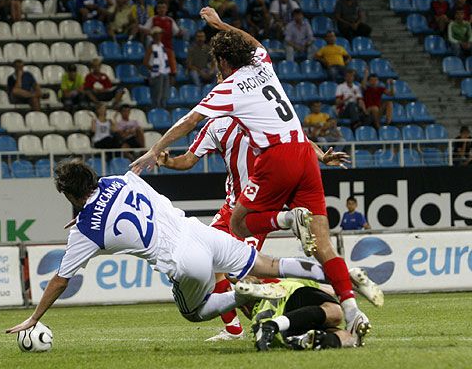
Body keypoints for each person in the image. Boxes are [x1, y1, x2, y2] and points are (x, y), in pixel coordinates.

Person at [131, 7, 371, 344]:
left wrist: (154, 150)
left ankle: (286, 223)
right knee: (323, 246)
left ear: (224, 65)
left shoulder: (229, 88)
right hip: (303, 152)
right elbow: (252, 41)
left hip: (275, 163)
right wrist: (220, 25)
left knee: (238, 228)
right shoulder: (263, 63)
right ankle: (351, 311)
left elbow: (187, 121)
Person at [5, 159, 372, 343]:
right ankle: (338, 275)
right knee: (270, 262)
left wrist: (35, 316)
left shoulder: (85, 230)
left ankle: (242, 293)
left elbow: (59, 280)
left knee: (195, 313)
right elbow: (107, 197)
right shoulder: (118, 179)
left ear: (69, 197)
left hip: (183, 260)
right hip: (199, 231)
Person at [157, 116, 378, 340]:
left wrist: (321, 156)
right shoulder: (215, 125)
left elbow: (295, 137)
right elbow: (188, 159)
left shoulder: (258, 113)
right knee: (216, 264)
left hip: (256, 209)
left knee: (246, 274)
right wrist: (168, 162)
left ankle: (335, 286)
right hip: (230, 208)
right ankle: (234, 330)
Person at [251, 278, 360, 351]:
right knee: (336, 313)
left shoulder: (256, 318)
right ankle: (273, 325)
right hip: (295, 298)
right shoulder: (279, 282)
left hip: (288, 330)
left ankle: (315, 340)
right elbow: (331, 291)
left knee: (350, 338)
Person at [144, 27, 172, 108]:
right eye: (158, 34)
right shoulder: (151, 47)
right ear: (154, 35)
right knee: (157, 95)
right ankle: (156, 109)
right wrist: (153, 70)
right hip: (157, 75)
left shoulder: (162, 46)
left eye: (160, 34)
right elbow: (145, 62)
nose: (160, 35)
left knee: (164, 94)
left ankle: (163, 109)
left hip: (165, 72)